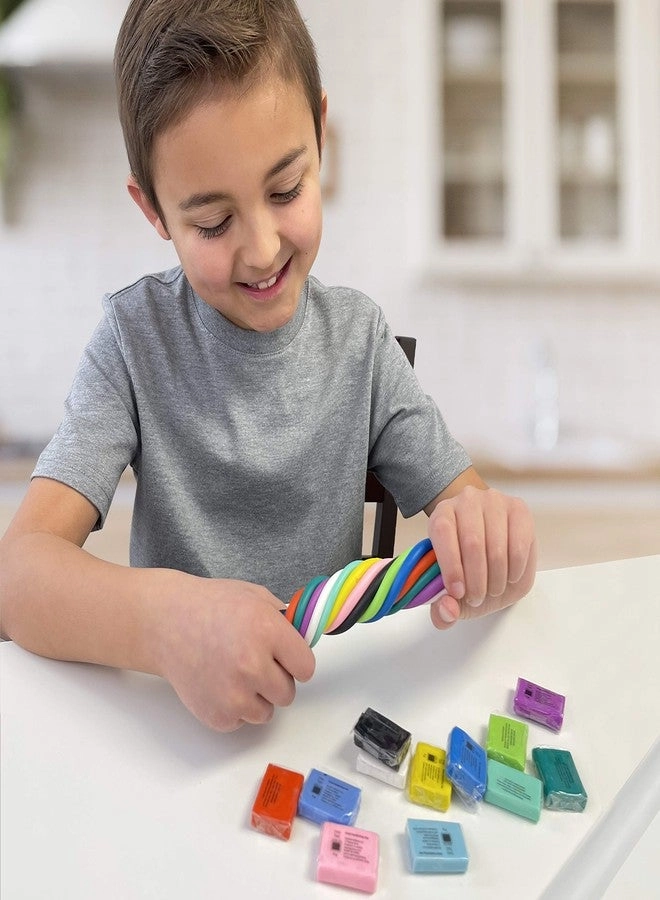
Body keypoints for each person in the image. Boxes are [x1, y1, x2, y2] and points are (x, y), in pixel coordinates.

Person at [0, 0, 536, 732]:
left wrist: (488, 537)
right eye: (212, 222)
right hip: (178, 735)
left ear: (321, 134)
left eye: (285, 190)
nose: (260, 249)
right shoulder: (133, 342)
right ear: (153, 211)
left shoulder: (361, 344)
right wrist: (166, 624)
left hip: (329, 723)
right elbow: (17, 577)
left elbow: (467, 508)